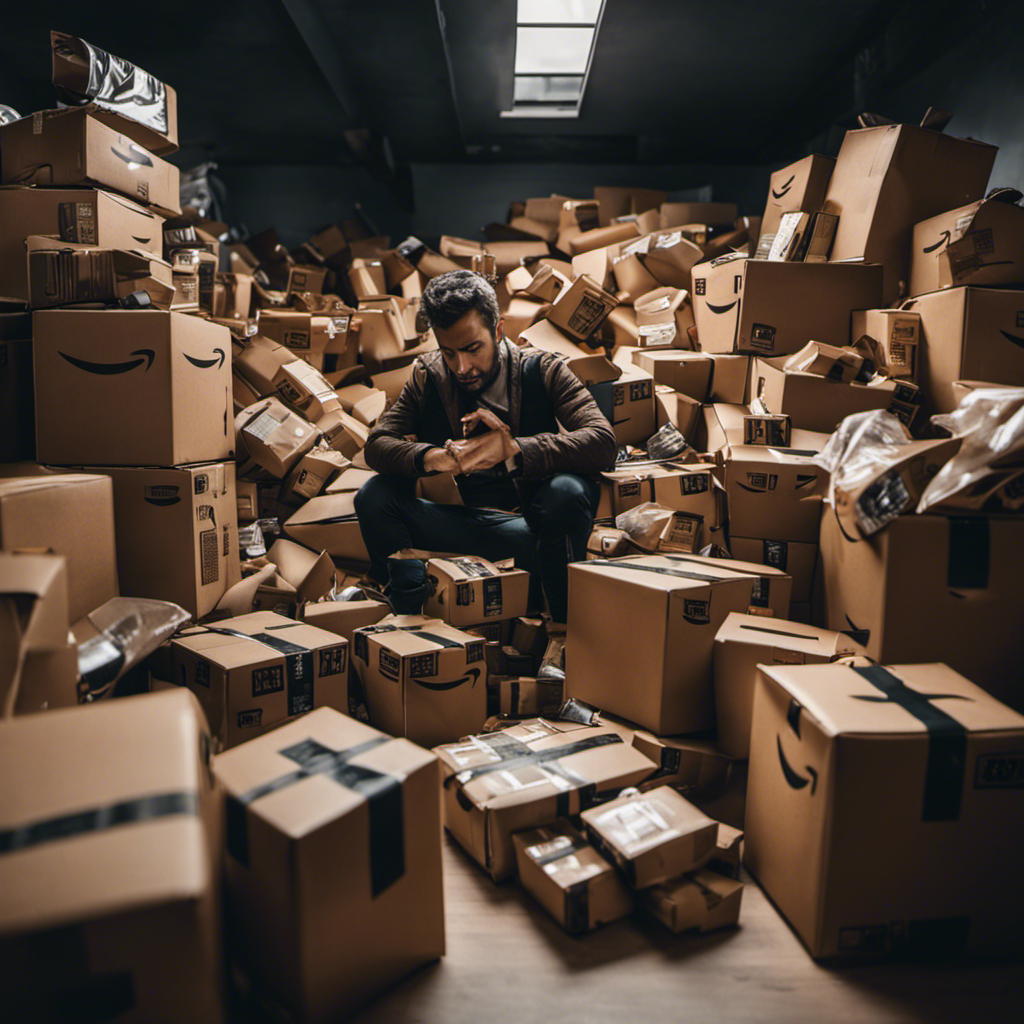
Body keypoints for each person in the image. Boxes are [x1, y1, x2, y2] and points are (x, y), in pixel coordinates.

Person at [354, 269, 617, 631]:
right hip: (460, 532)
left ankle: (561, 632)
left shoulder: (543, 369)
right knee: (374, 495)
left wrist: (515, 451)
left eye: (472, 348)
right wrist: (435, 458)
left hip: (531, 536)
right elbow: (377, 445)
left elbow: (603, 442)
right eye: (448, 352)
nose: (461, 367)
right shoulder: (428, 377)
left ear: (498, 330)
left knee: (567, 493)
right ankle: (409, 621)